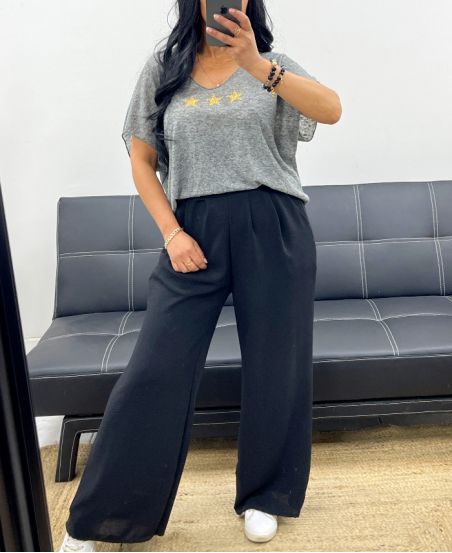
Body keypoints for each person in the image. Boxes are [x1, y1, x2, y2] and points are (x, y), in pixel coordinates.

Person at [59, 0, 341, 550]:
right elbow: (141, 160)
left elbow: (331, 109)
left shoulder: (271, 62)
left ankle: (265, 495)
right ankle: (101, 517)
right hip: (192, 230)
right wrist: (172, 233)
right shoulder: (163, 68)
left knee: (277, 366)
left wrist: (256, 64)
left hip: (273, 223)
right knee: (155, 369)